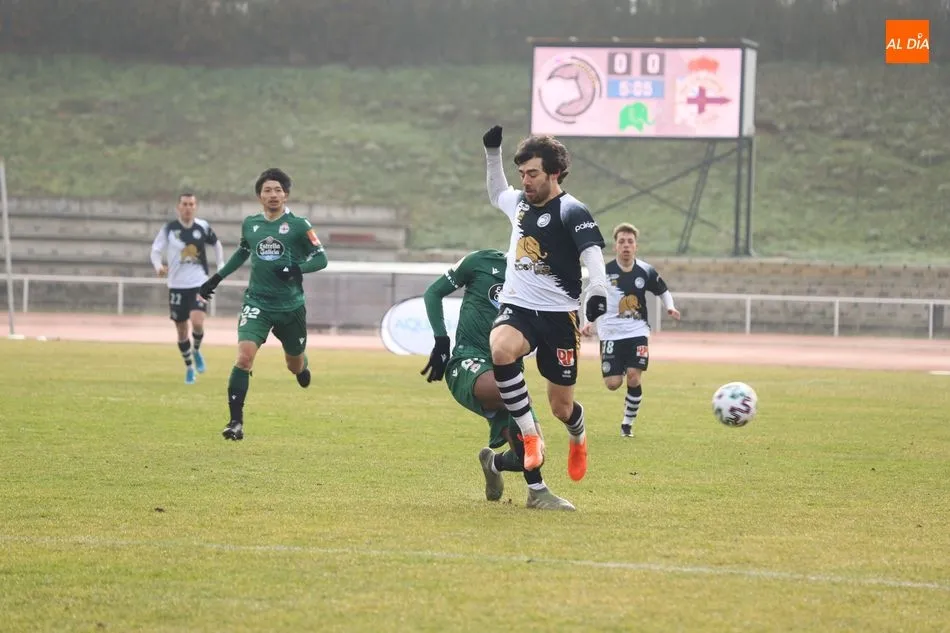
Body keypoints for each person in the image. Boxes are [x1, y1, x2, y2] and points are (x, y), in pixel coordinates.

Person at [482, 125, 609, 482]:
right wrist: (493, 153)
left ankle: (578, 437)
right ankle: (530, 435)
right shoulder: (520, 203)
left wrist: (597, 289)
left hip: (559, 317)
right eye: (522, 173)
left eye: (533, 174)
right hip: (518, 305)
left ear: (554, 173)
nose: (526, 181)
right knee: (501, 349)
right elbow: (496, 194)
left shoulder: (572, 210)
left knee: (561, 407)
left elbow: (593, 254)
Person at [421, 248, 576, 511]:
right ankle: (537, 493)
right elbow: (433, 292)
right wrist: (441, 341)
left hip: (511, 373)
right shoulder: (480, 261)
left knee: (532, 454)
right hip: (470, 360)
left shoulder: (542, 278)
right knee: (507, 396)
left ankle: (494, 463)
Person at [198, 168, 328, 441]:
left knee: (294, 364)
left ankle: (302, 366)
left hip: (291, 306)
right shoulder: (251, 224)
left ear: (286, 194)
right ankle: (235, 422)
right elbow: (242, 252)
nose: (273, 195)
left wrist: (296, 269)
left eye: (278, 190)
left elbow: (321, 259)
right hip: (256, 302)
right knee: (244, 358)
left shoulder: (299, 225)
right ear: (259, 196)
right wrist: (216, 279)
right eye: (267, 190)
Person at [581, 223, 681, 437]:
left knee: (634, 377)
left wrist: (670, 307)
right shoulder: (605, 272)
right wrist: (588, 321)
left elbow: (663, 291)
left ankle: (627, 424)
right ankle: (623, 366)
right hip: (610, 333)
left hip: (637, 332)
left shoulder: (645, 270)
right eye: (621, 242)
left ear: (636, 246)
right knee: (612, 383)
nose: (626, 245)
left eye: (630, 242)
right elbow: (590, 296)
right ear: (616, 246)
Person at [150, 192, 225, 384]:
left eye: (191, 204)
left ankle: (197, 350)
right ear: (178, 207)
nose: (188, 207)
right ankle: (189, 367)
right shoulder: (169, 229)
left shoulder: (203, 226)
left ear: (196, 206)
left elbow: (216, 245)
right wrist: (159, 267)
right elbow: (156, 251)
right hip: (176, 286)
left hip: (199, 283)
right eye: (184, 204)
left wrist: (221, 265)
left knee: (197, 321)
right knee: (182, 330)